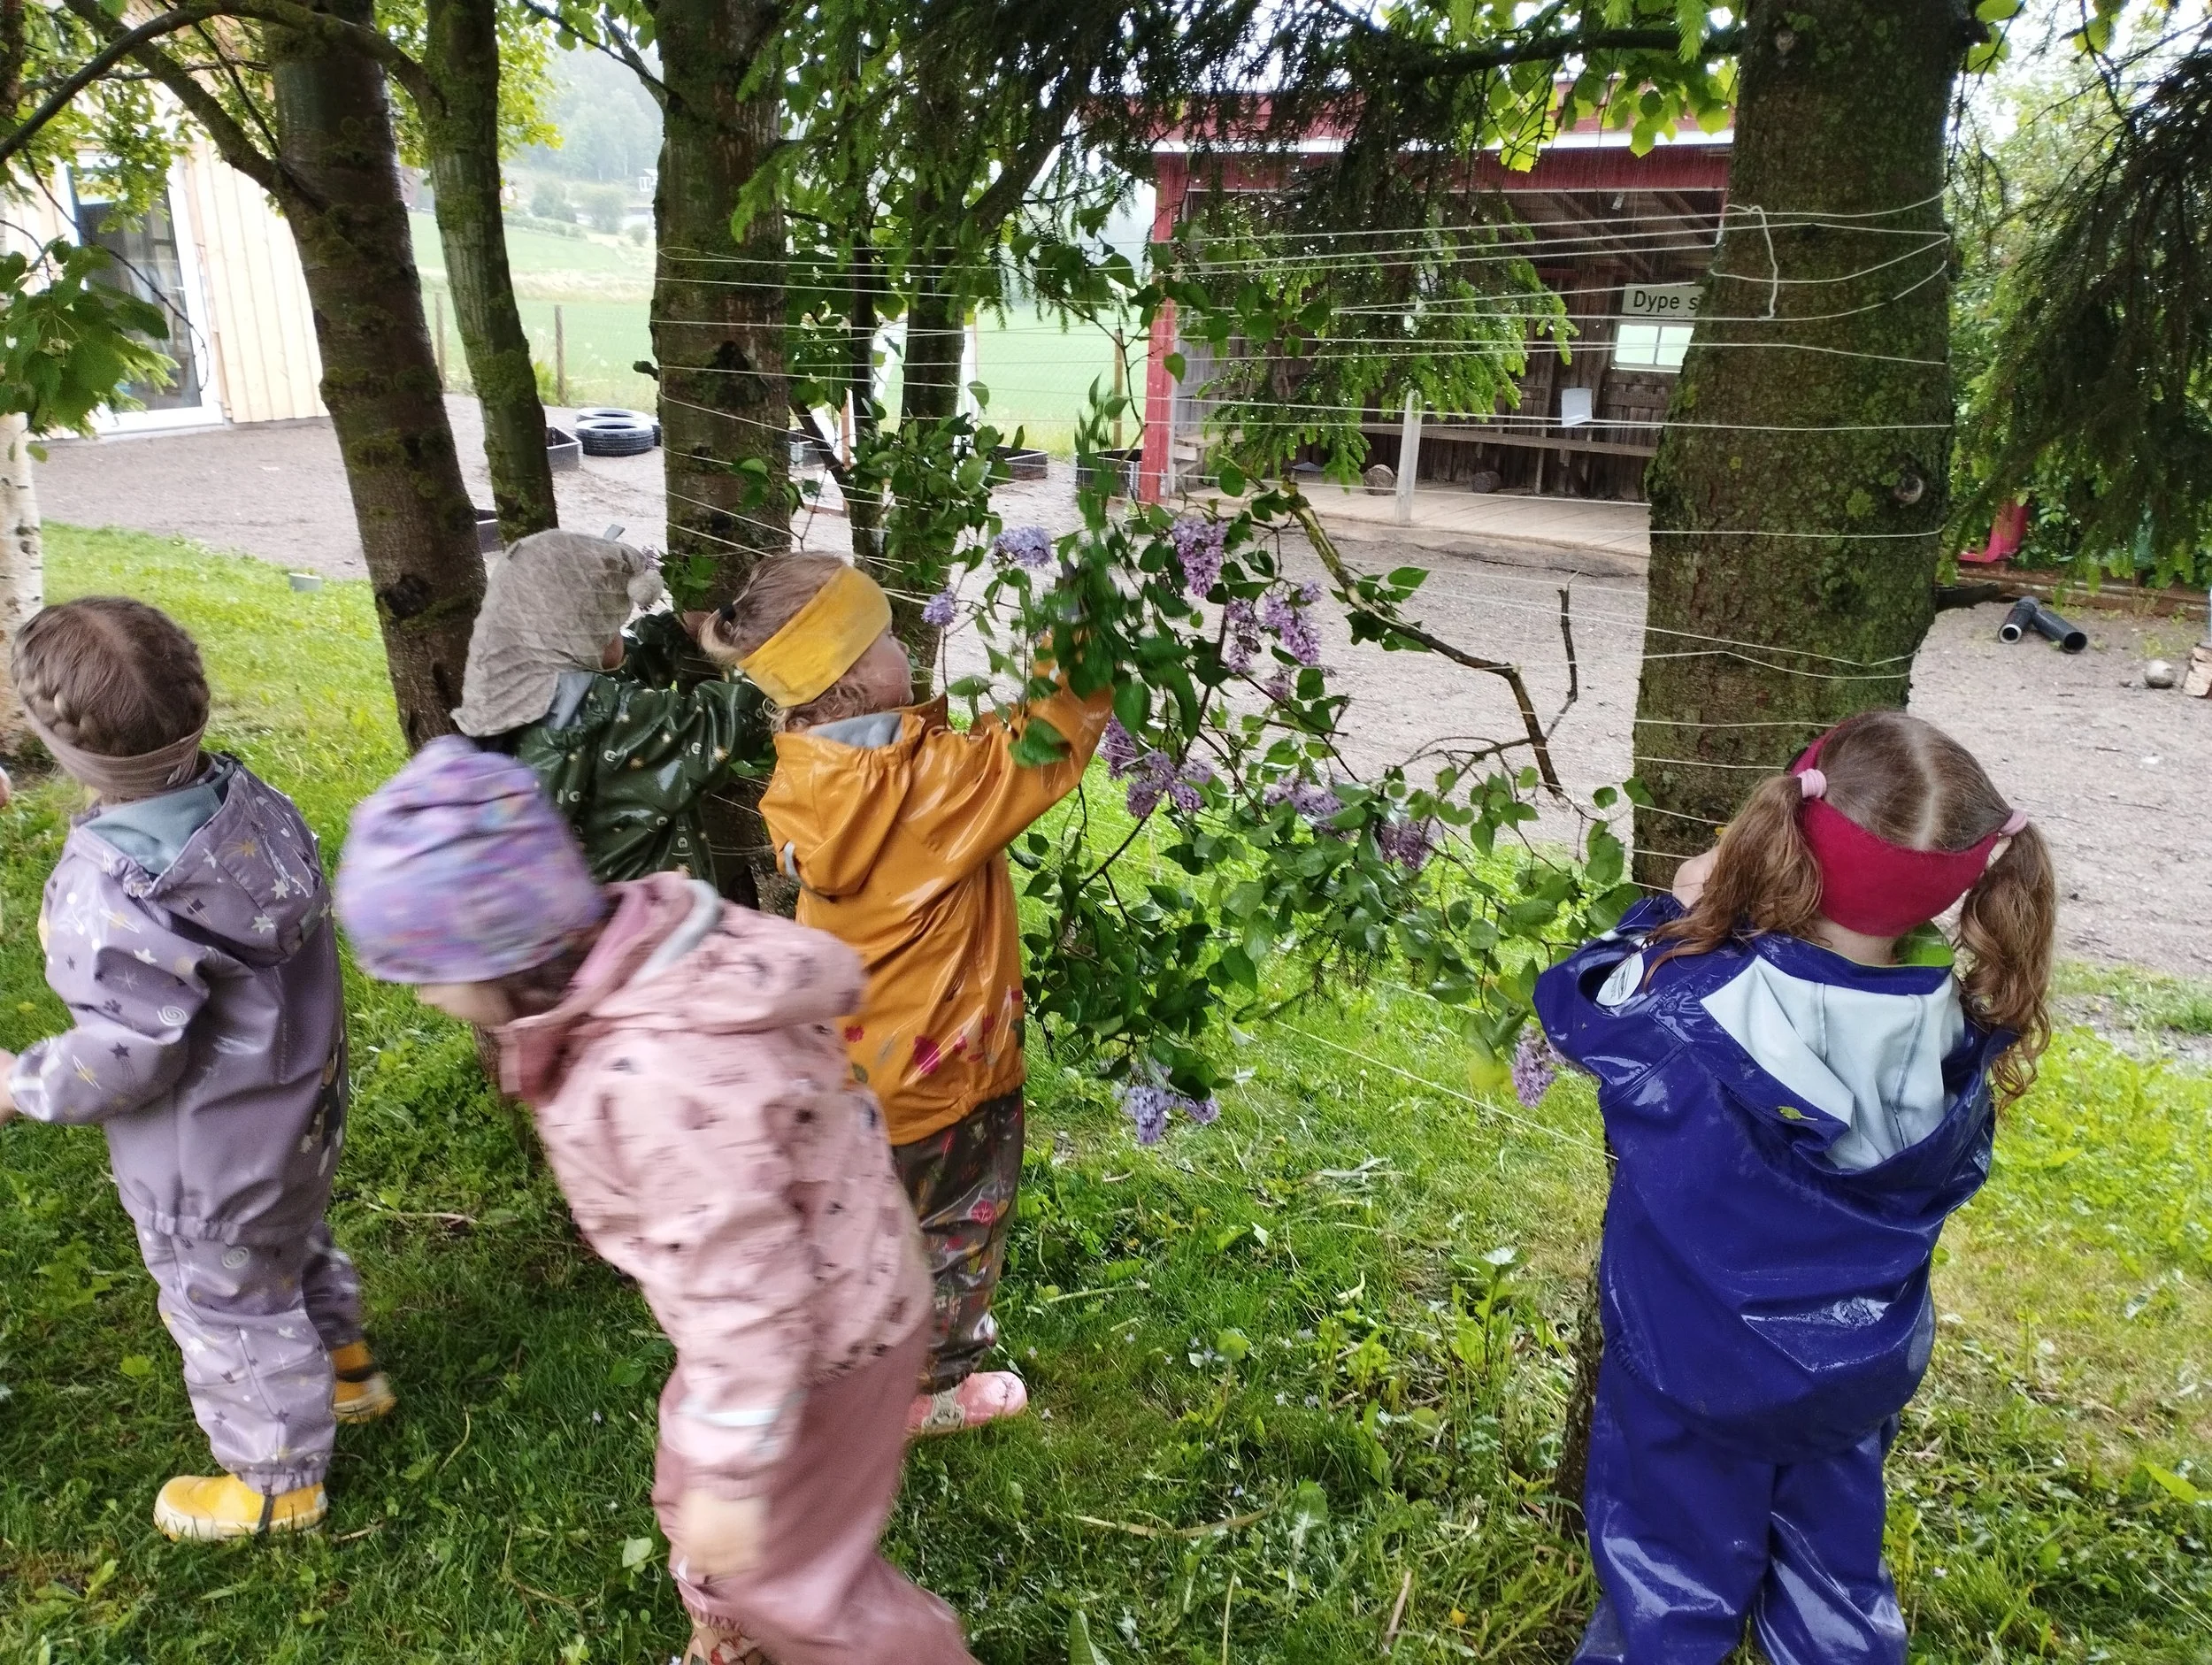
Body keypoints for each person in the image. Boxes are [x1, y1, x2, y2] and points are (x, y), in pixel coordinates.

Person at [335, 739, 973, 1665]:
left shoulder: (656, 1083)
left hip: (827, 1338)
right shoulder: (648, 956)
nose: (421, 995)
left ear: (497, 952)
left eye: (420, 972)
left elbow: (750, 1295)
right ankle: (733, 1625)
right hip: (813, 1290)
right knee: (697, 1487)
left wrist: (732, 1469)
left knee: (799, 1580)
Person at [1535, 710, 2056, 1665]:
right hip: (1851, 1385)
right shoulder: (1954, 1031)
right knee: (1834, 1586)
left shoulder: (1694, 993)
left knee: (1666, 1578)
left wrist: (1673, 910)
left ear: (1788, 824)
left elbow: (1578, 999)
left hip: (1682, 1371)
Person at [0, 598, 391, 1541]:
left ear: (56, 741)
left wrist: (21, 1084)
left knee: (226, 1299)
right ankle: (345, 1366)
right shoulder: (254, 808)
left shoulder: (115, 888)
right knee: (286, 1237)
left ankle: (275, 1481)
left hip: (205, 1157)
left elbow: (127, 1052)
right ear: (199, 706)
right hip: (296, 1114)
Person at [699, 555, 1115, 1438]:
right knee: (955, 1224)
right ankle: (925, 1386)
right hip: (948, 1072)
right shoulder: (930, 786)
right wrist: (1072, 635)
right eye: (886, 636)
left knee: (859, 1230)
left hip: (846, 1073)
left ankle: (826, 1362)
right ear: (851, 678)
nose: (904, 645)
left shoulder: (808, 782)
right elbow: (1052, 737)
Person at [454, 528, 771, 886]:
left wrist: (673, 632)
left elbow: (617, 668)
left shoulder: (513, 695)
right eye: (614, 627)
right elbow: (732, 719)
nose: (623, 634)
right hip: (647, 919)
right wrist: (739, 652)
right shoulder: (614, 720)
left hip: (584, 910)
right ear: (586, 639)